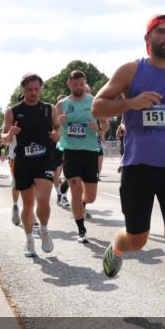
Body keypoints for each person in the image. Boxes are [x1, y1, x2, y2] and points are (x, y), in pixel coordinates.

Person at [92, 14, 165, 329]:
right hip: (138, 167)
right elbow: (98, 107)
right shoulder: (132, 71)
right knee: (138, 240)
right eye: (161, 31)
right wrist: (130, 102)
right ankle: (117, 246)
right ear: (149, 38)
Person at [4, 75, 61, 257]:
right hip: (23, 162)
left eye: (37, 89)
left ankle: (43, 230)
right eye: (30, 90)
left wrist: (56, 134)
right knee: (28, 204)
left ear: (40, 88)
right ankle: (29, 241)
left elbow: (58, 128)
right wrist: (9, 133)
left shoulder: (49, 109)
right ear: (23, 90)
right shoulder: (12, 111)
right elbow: (4, 136)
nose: (34, 93)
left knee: (43, 201)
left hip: (44, 159)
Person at [57, 70, 104, 243]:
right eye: (75, 84)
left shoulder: (95, 102)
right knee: (75, 188)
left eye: (81, 84)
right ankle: (81, 229)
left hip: (90, 151)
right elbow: (54, 130)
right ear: (69, 85)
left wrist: (97, 128)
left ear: (85, 84)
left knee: (90, 196)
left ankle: (83, 204)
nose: (78, 87)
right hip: (70, 151)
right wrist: (58, 124)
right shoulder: (62, 104)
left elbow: (105, 126)